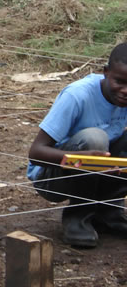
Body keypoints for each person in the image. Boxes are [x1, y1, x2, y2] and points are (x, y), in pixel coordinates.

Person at [28, 43, 127, 248]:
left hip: (99, 169)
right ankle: (78, 217)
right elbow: (36, 153)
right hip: (53, 176)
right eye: (119, 81)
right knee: (95, 138)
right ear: (106, 72)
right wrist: (82, 160)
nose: (125, 91)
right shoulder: (78, 95)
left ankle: (108, 212)